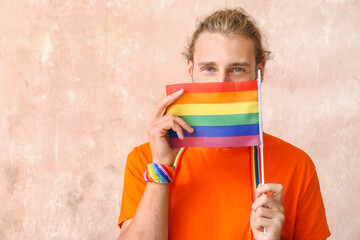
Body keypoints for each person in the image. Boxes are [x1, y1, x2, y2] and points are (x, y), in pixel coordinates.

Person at [117, 8, 331, 240]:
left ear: (259, 72)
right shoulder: (144, 160)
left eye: (237, 69)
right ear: (191, 70)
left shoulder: (297, 165)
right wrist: (160, 168)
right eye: (209, 69)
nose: (221, 83)